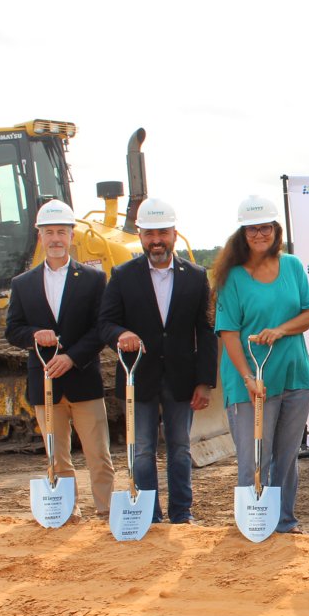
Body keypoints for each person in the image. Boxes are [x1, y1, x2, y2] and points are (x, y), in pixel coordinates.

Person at [98, 198, 217, 524]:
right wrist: (120, 334)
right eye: (149, 233)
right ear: (140, 236)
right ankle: (148, 516)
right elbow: (105, 322)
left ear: (175, 234)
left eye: (162, 232)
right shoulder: (122, 276)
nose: (156, 240)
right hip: (139, 378)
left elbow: (206, 331)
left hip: (182, 379)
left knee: (180, 449)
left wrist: (205, 381)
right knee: (142, 450)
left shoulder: (195, 276)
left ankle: (181, 513)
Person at [213, 195, 309, 534]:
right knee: (255, 457)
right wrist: (247, 378)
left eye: (266, 227)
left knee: (286, 457)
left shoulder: (293, 266)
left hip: (294, 376)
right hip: (251, 381)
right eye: (253, 228)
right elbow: (228, 333)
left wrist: (280, 330)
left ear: (276, 229)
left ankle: (284, 521)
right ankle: (253, 523)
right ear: (243, 233)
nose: (260, 234)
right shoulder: (232, 277)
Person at [5, 199, 114, 518]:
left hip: (83, 380)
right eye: (49, 232)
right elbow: (13, 330)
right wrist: (34, 334)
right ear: (40, 237)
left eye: (61, 232)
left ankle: (106, 512)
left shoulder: (93, 280)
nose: (55, 238)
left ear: (71, 236)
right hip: (45, 383)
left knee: (98, 454)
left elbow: (100, 327)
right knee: (56, 456)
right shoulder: (22, 284)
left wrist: (72, 358)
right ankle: (66, 511)